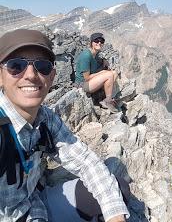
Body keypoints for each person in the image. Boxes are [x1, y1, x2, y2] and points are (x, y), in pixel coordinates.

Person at [0, 29, 129, 222]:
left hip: (36, 204)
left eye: (41, 67)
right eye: (16, 66)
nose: (30, 75)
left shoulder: (46, 119)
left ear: (51, 77)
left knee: (117, 191)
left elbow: (86, 162)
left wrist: (116, 217)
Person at [75, 32, 118, 113]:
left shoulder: (95, 54)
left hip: (89, 82)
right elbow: (86, 77)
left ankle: (101, 96)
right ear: (91, 42)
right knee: (108, 75)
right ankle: (107, 101)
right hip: (82, 84)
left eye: (101, 41)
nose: (99, 43)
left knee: (114, 73)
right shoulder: (86, 56)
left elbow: (97, 61)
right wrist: (102, 72)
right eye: (96, 41)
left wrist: (103, 60)